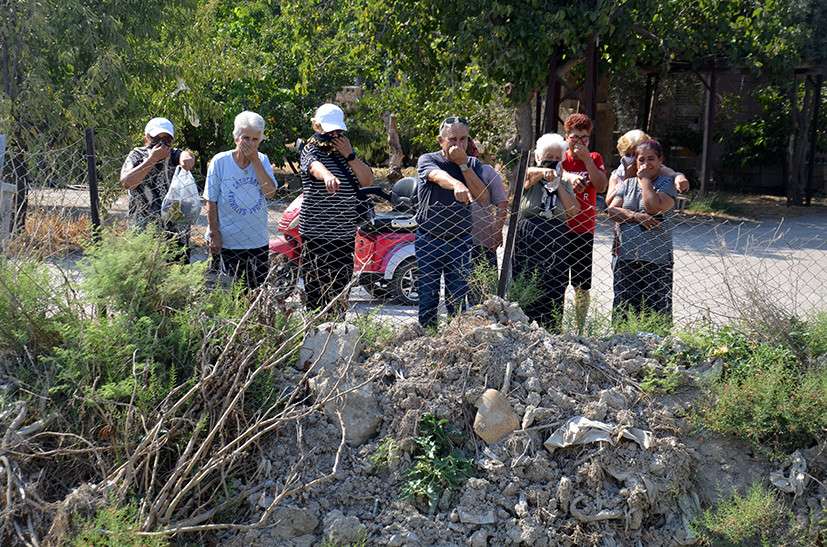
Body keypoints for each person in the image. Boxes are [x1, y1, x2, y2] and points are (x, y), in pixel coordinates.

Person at [299, 103, 375, 313]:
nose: (334, 134)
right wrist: (328, 176)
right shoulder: (309, 149)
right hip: (316, 234)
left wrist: (350, 155)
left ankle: (335, 333)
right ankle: (315, 333)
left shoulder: (346, 152)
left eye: (337, 130)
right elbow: (314, 166)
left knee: (340, 291)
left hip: (343, 233)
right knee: (316, 290)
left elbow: (367, 180)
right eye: (329, 130)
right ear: (317, 126)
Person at [416, 117, 489, 329]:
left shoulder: (472, 164)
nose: (458, 145)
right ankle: (427, 339)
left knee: (457, 299)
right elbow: (436, 176)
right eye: (453, 139)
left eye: (464, 139)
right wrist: (456, 183)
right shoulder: (428, 159)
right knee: (428, 297)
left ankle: (455, 341)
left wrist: (463, 165)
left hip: (460, 241)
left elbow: (483, 197)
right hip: (429, 240)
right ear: (441, 141)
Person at [204, 111, 279, 290]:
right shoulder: (220, 161)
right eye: (246, 138)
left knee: (254, 292)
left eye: (255, 139)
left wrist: (255, 160)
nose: (250, 143)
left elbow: (270, 192)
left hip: (256, 241)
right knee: (227, 293)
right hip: (228, 241)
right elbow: (211, 200)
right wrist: (214, 234)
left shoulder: (262, 160)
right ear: (236, 137)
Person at [513, 133, 579, 330]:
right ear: (539, 157)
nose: (553, 161)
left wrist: (558, 186)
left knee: (552, 283)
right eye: (549, 156)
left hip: (555, 237)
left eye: (558, 158)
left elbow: (573, 211)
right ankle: (522, 324)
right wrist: (542, 173)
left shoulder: (564, 181)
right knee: (525, 278)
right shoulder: (529, 176)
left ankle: (550, 327)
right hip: (529, 234)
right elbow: (523, 180)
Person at [606, 139, 676, 322]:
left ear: (661, 160)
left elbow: (653, 207)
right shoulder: (627, 184)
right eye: (641, 160)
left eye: (651, 158)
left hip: (657, 261)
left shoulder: (666, 184)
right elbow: (612, 211)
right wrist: (636, 217)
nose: (646, 164)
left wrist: (644, 179)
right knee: (624, 313)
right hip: (627, 258)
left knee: (656, 316)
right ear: (635, 163)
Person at [120, 117, 196, 261]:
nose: (161, 144)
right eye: (156, 138)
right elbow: (127, 182)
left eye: (166, 139)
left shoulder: (174, 154)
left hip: (174, 232)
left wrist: (187, 157)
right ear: (146, 138)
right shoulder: (137, 155)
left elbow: (186, 158)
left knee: (175, 276)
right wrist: (152, 159)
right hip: (143, 231)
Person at [560, 113, 609, 334]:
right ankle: (556, 325)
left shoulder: (595, 157)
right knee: (559, 280)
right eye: (575, 137)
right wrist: (569, 177)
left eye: (584, 138)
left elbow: (600, 186)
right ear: (566, 137)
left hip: (584, 229)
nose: (579, 142)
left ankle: (579, 329)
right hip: (561, 227)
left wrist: (588, 160)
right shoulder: (560, 157)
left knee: (582, 284)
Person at [467, 138, 507, 305]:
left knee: (484, 293)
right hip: (455, 239)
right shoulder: (447, 171)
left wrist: (497, 232)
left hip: (481, 240)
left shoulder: (487, 171)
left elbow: (502, 203)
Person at [607, 129, 690, 203]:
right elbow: (609, 203)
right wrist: (626, 181)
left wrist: (680, 179)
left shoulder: (652, 167)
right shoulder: (618, 173)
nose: (633, 159)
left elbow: (673, 174)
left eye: (635, 154)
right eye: (628, 154)